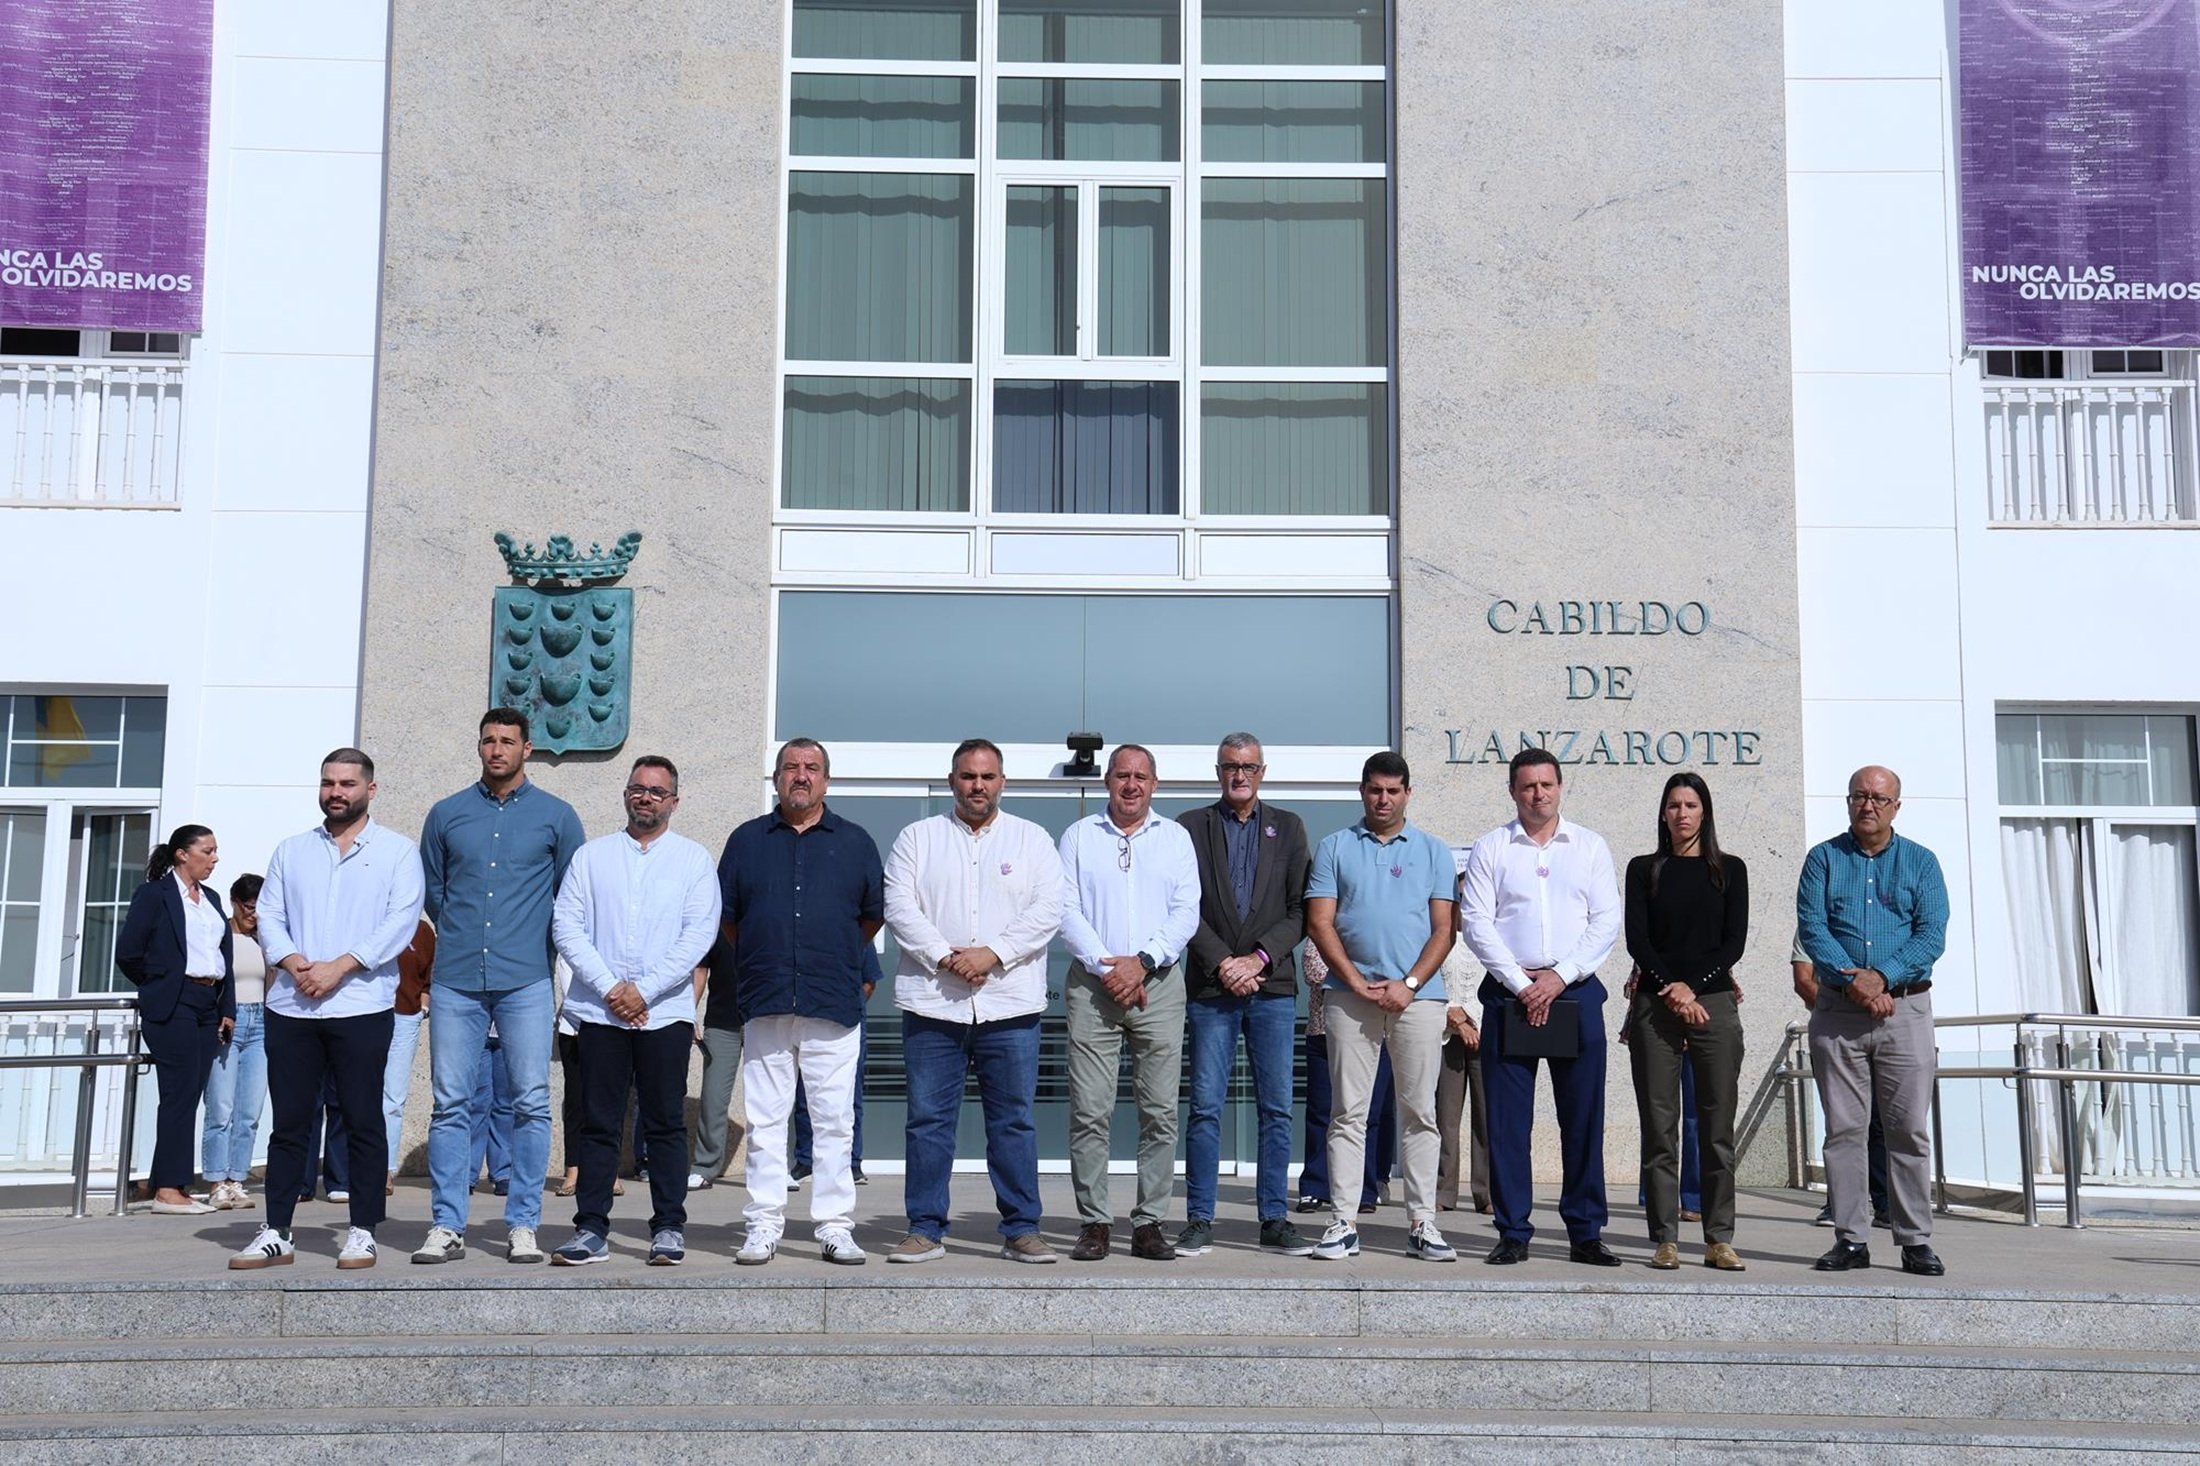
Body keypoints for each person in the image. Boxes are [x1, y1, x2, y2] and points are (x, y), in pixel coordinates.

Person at [231, 749, 425, 1271]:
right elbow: (270, 915)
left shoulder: (397, 853)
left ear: (370, 790)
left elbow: (400, 922)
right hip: (292, 1005)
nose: (336, 792)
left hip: (361, 1004)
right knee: (290, 1124)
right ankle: (276, 1230)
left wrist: (340, 966)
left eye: (347, 783)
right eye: (328, 782)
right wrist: (295, 964)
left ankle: (362, 1230)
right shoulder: (292, 850)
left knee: (362, 1120)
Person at [882, 738, 1064, 1264]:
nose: (977, 786)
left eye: (986, 776)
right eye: (967, 776)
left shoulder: (1032, 840)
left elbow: (1048, 910)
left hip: (1009, 1006)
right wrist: (946, 957)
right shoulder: (918, 838)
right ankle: (924, 1228)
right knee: (928, 1121)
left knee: (1013, 1122)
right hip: (934, 1005)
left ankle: (1021, 1228)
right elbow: (899, 907)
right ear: (952, 781)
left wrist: (992, 954)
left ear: (1002, 782)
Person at [414, 709, 585, 1266]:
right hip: (456, 979)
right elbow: (433, 890)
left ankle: (524, 1224)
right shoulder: (447, 814)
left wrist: (534, 945)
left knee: (531, 1102)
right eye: (488, 740)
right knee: (450, 1104)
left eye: (507, 741)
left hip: (525, 978)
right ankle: (447, 1224)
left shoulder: (557, 817)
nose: (496, 749)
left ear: (527, 749)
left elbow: (571, 896)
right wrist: (463, 933)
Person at [718, 738, 883, 1267]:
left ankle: (835, 1227)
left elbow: (870, 918)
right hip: (766, 1000)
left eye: (812, 768)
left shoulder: (855, 842)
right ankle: (763, 1225)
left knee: (834, 1122)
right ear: (776, 778)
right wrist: (769, 956)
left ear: (826, 781)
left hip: (831, 1001)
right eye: (791, 767)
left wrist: (828, 956)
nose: (801, 776)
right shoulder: (746, 841)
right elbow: (729, 919)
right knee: (766, 1122)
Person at [549, 756, 719, 1265]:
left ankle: (668, 1226)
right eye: (637, 789)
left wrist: (643, 991)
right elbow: (567, 927)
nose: (646, 798)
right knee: (598, 1123)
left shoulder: (692, 860)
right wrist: (611, 989)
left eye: (657, 791)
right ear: (626, 795)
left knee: (664, 1122)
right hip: (600, 1013)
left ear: (674, 802)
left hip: (663, 1015)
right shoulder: (591, 857)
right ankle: (590, 1229)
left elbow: (698, 936)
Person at [1460, 747, 1622, 1267]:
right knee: (1508, 1124)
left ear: (1560, 786)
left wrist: (1558, 977)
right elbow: (1476, 922)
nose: (1538, 794)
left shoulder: (1590, 846)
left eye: (1546, 784)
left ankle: (1585, 1232)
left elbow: (1606, 921)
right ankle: (1513, 1231)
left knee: (1582, 1119)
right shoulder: (1491, 847)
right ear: (1513, 790)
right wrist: (1520, 982)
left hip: (1575, 991)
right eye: (1528, 786)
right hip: (1510, 995)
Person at [1303, 750, 1458, 1263]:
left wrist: (1409, 984)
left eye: (1393, 791)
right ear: (1362, 791)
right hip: (1350, 999)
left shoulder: (1433, 851)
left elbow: (1444, 929)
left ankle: (1422, 1222)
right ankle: (1343, 1222)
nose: (1383, 799)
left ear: (1408, 793)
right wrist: (1355, 982)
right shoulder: (1335, 846)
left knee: (1420, 1112)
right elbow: (1320, 922)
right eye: (1375, 790)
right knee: (1348, 1112)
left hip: (1418, 999)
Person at [1798, 764, 1950, 1277]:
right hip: (1839, 1013)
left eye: (1879, 798)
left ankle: (1915, 1240)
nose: (1868, 805)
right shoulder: (1823, 859)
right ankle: (1851, 1239)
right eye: (1859, 796)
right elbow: (1813, 929)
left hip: (1904, 1011)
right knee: (1844, 1131)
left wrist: (1882, 977)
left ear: (1896, 807)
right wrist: (1856, 984)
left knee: (1907, 1130)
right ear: (1848, 802)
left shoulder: (1921, 863)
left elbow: (1932, 934)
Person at [1058, 744, 1201, 1263]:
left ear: (1154, 784)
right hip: (1093, 986)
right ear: (1107, 781)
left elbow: (1187, 911)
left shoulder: (1176, 839)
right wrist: (1109, 969)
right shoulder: (1079, 836)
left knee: (1159, 1111)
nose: (1131, 785)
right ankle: (1095, 1222)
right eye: (1122, 775)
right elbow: (1066, 910)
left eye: (1141, 776)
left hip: (1157, 984)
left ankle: (1149, 1224)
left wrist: (1141, 962)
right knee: (1090, 1110)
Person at [1177, 732, 1314, 1258]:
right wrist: (1223, 963)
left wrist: (1257, 959)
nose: (1240, 775)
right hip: (1211, 988)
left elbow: (1301, 910)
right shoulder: (1190, 827)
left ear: (1262, 772)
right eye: (1231, 766)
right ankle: (1199, 1218)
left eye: (1249, 767)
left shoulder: (1290, 827)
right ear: (1218, 772)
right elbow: (1183, 907)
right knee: (1205, 1107)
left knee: (1276, 1108)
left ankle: (1274, 1218)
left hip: (1271, 986)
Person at [1624, 771, 1749, 1271]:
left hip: (1713, 1003)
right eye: (1674, 805)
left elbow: (1734, 942)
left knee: (1717, 1127)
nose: (1682, 814)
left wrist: (1691, 987)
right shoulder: (1644, 869)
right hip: (1656, 1006)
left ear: (1705, 812)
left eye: (1691, 805)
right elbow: (1638, 940)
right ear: (1663, 813)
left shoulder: (1730, 870)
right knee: (1660, 1127)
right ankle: (1665, 1237)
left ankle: (1719, 1237)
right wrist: (1673, 990)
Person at [117, 825, 234, 1216]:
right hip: (174, 1001)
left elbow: (224, 958)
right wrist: (160, 984)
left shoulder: (211, 898)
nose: (214, 858)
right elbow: (128, 952)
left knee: (189, 1094)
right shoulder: (155, 894)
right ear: (183, 854)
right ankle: (169, 1189)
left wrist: (227, 1008)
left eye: (215, 851)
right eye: (207, 851)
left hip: (207, 1002)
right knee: (179, 1093)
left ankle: (169, 1184)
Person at [1793, 932, 1890, 1228]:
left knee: (1882, 1122)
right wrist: (1846, 1005)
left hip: (1883, 1028)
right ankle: (1838, 1205)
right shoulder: (1814, 927)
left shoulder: (1882, 928)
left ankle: (1886, 1205)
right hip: (1835, 1030)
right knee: (1842, 1122)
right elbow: (1803, 980)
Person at [1297, 944, 1397, 1216]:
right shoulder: (1325, 929)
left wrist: (1351, 976)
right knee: (1321, 1112)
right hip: (1323, 1032)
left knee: (1370, 1114)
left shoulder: (1374, 933)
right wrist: (1362, 979)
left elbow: (1391, 970)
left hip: (1373, 1033)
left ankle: (1364, 1190)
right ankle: (1315, 1187)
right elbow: (1314, 970)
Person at [200, 872, 265, 1210]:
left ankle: (237, 1178)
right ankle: (216, 1181)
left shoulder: (264, 939)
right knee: (221, 1107)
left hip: (261, 1023)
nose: (254, 915)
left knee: (249, 1110)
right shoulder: (221, 934)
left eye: (260, 908)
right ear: (235, 903)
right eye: (249, 907)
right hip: (230, 1020)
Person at [381, 918, 437, 1191]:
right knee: (360, 1093)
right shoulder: (372, 918)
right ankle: (353, 1168)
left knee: (393, 1097)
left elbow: (428, 977)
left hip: (405, 1018)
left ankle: (385, 1169)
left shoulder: (422, 931)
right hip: (368, 1013)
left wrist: (422, 1009)